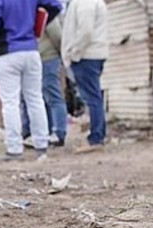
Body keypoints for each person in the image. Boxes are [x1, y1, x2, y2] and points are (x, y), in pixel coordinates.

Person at [0, 0, 62, 160]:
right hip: (31, 51)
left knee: (10, 102)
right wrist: (39, 24)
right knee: (35, 99)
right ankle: (42, 144)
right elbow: (56, 5)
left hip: (7, 53)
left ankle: (14, 148)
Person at [62, 0, 109, 152]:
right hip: (92, 53)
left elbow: (86, 31)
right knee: (94, 96)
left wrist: (74, 53)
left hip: (87, 55)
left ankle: (96, 138)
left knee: (92, 97)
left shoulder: (85, 3)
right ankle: (96, 135)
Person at [20, 17, 67, 147]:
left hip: (48, 57)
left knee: (52, 95)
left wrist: (61, 53)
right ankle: (46, 131)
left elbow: (57, 35)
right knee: (40, 98)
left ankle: (59, 131)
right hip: (37, 58)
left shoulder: (44, 11)